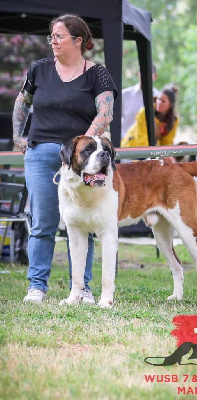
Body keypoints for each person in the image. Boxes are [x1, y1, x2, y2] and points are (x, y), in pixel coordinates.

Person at [12, 14, 117, 304]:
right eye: (52, 37)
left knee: (85, 222)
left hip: (82, 159)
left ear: (78, 40)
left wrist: (83, 148)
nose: (53, 42)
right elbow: (23, 101)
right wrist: (18, 136)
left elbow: (105, 113)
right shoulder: (40, 69)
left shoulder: (98, 73)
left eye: (59, 36)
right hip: (42, 153)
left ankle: (81, 289)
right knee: (43, 222)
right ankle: (36, 286)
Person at [121, 64, 160, 140]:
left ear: (155, 76)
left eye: (149, 73)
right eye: (142, 72)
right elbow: (115, 120)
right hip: (126, 145)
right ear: (138, 74)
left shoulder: (159, 99)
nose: (145, 76)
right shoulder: (125, 95)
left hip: (150, 146)